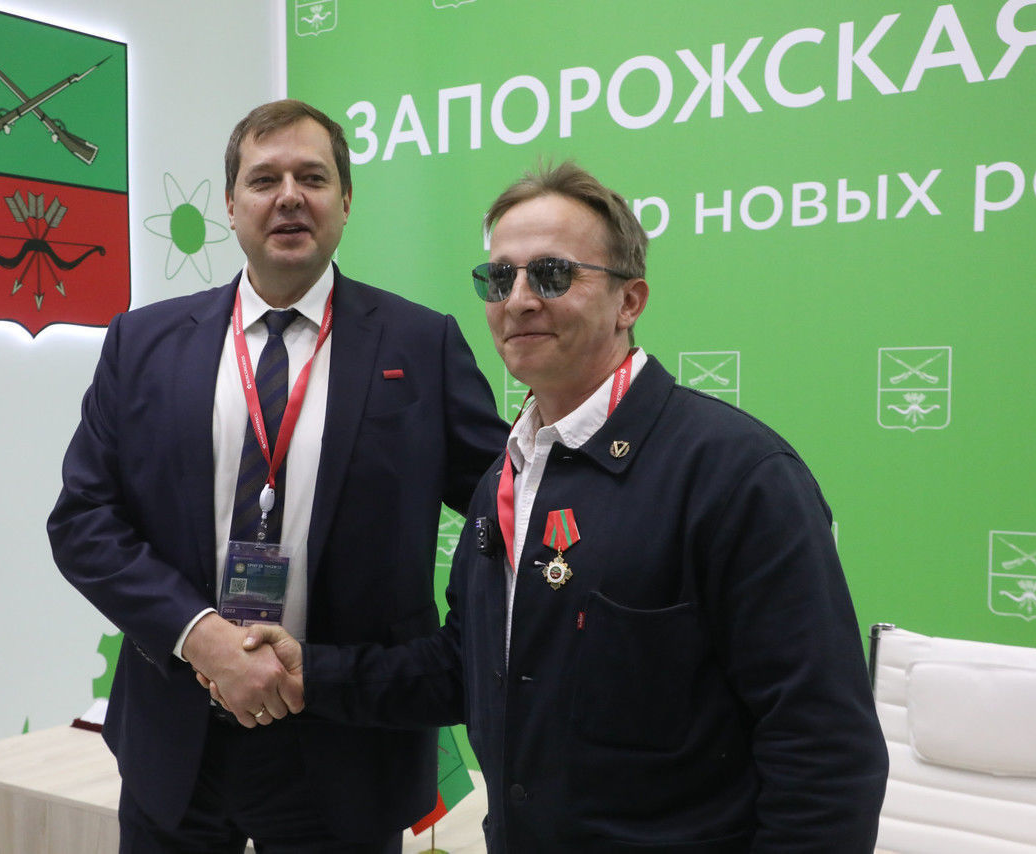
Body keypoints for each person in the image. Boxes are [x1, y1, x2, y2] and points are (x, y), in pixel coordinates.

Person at [243, 161, 890, 852]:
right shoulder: (507, 475)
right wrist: (311, 673)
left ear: (629, 301)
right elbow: (466, 669)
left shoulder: (737, 476)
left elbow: (824, 756)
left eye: (552, 275)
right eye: (500, 278)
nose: (519, 300)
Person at [47, 99, 506, 853]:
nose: (289, 196)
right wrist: (200, 637)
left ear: (346, 201)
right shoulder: (143, 343)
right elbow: (83, 521)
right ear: (231, 205)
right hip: (178, 739)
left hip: (345, 741)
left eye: (312, 177)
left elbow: (507, 508)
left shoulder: (421, 345)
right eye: (264, 179)